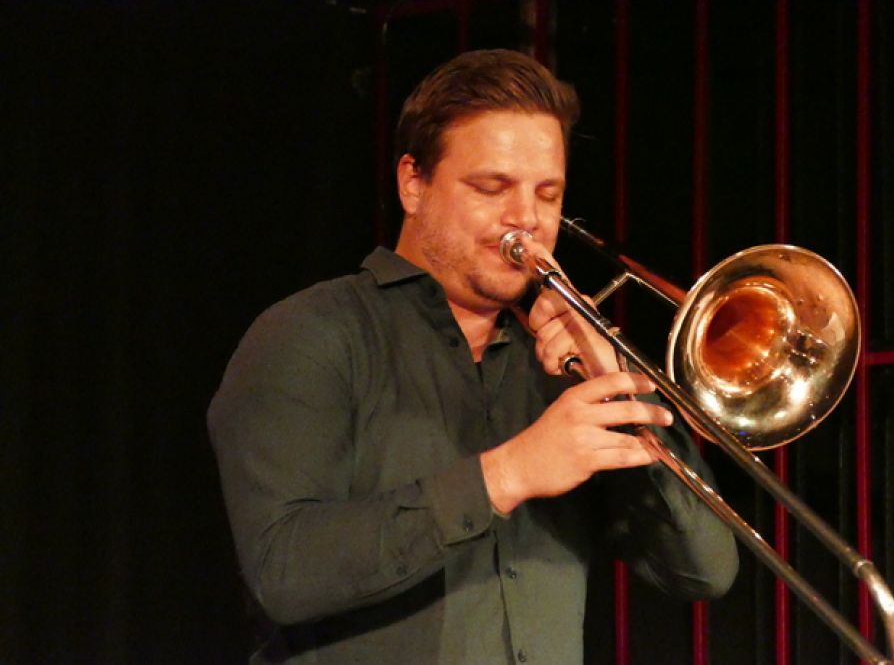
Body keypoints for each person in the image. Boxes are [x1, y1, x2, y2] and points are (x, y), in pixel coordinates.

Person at [208, 48, 738, 664]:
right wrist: (506, 475)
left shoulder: (562, 370)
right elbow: (283, 571)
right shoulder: (313, 333)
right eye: (492, 187)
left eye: (548, 194)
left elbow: (705, 570)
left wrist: (617, 384)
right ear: (413, 183)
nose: (526, 219)